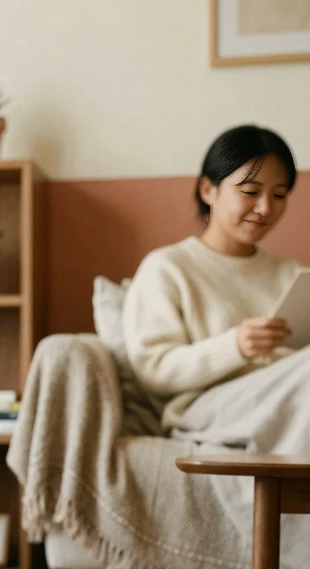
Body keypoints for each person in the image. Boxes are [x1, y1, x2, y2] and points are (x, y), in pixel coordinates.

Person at [123, 125, 301, 428]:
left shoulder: (293, 275)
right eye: (250, 191)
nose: (265, 207)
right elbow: (153, 369)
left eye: (279, 194)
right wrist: (236, 346)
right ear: (209, 190)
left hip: (289, 397)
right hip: (205, 410)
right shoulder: (167, 268)